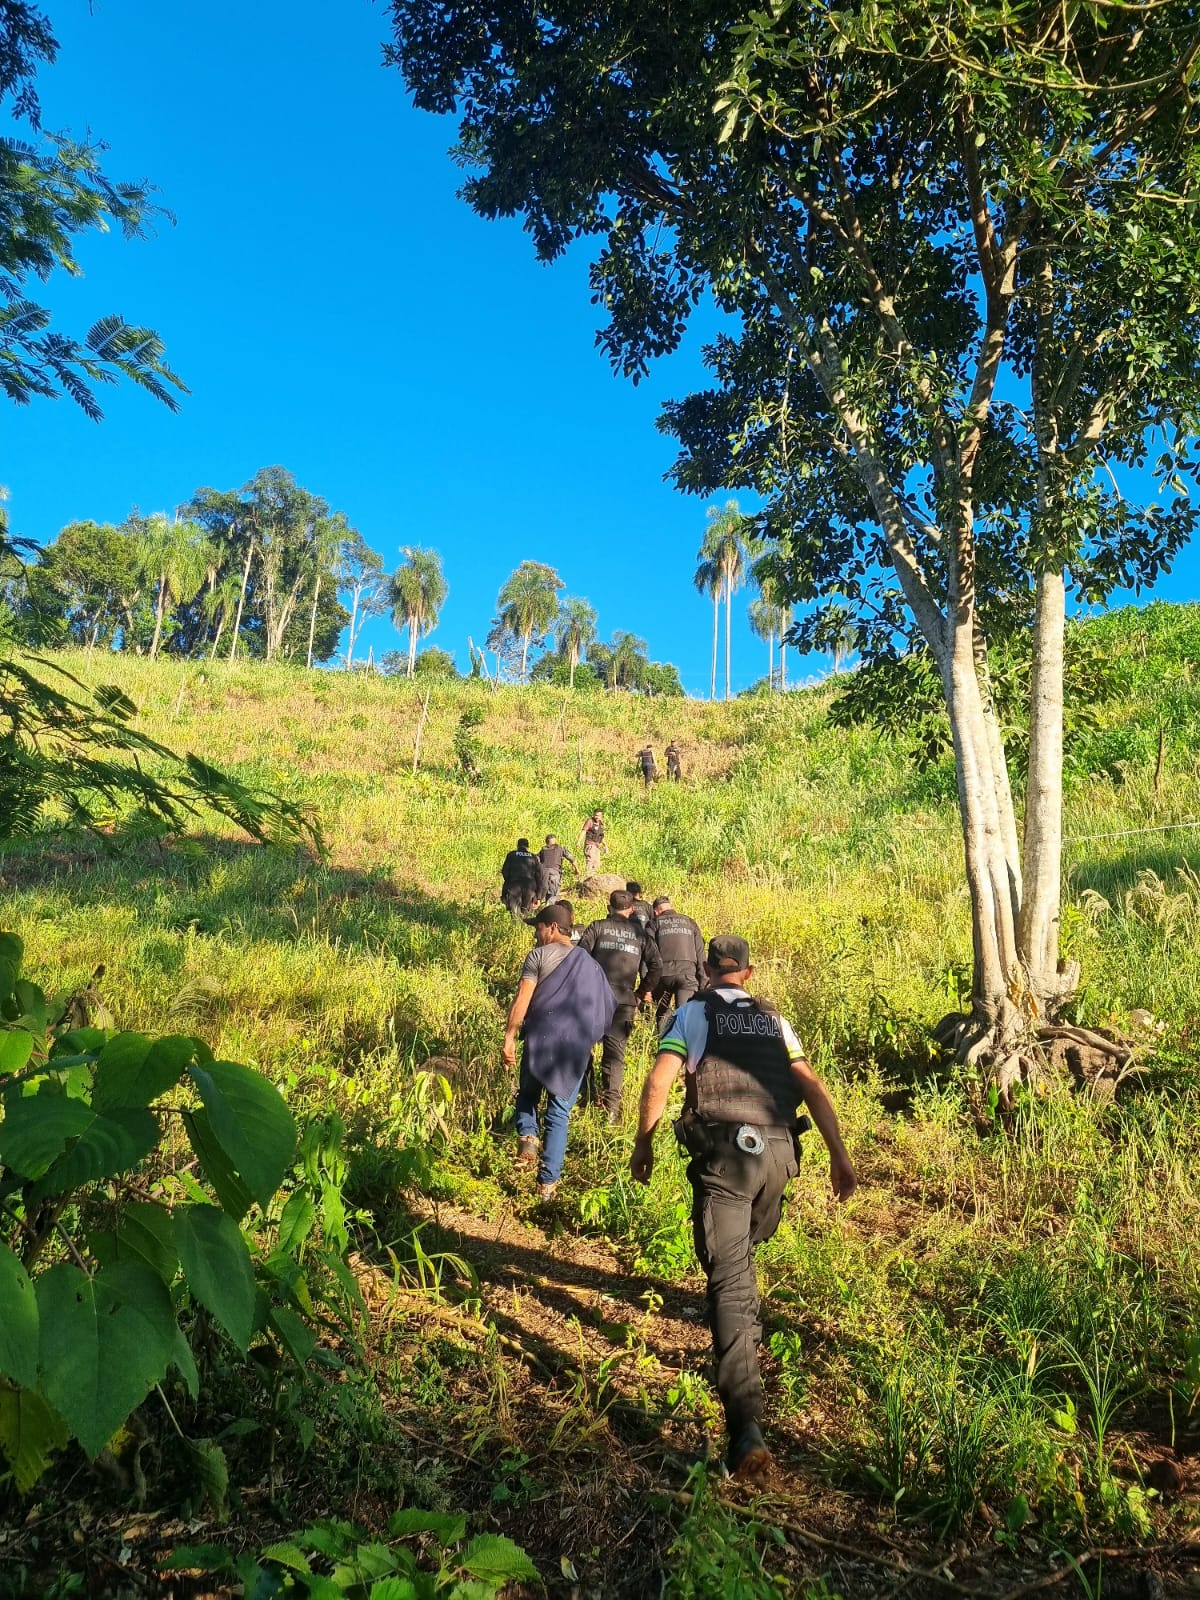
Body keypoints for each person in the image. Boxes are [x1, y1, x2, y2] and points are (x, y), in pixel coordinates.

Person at [630, 935, 857, 1482]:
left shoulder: (691, 1014)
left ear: (707, 970)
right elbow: (811, 1086)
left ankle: (746, 1431)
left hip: (729, 1157)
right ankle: (740, 1327)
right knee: (739, 1265)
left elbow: (660, 1080)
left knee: (729, 1280)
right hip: (779, 1156)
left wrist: (645, 1142)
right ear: (748, 974)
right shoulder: (775, 1021)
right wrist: (839, 1158)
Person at [503, 905, 614, 1198]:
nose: (536, 934)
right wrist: (587, 1042)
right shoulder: (591, 965)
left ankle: (528, 1137)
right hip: (574, 1048)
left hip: (540, 1040)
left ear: (551, 927)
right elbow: (605, 1011)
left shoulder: (538, 956)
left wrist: (510, 1035)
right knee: (559, 1114)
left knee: (527, 1094)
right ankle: (547, 1185)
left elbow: (522, 1000)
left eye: (537, 927)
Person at [577, 890, 662, 1121]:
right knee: (615, 1056)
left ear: (609, 906)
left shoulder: (597, 927)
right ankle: (611, 1110)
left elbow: (579, 958)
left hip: (593, 999)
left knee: (583, 1048)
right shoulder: (640, 934)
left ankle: (585, 1095)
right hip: (624, 1002)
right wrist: (641, 992)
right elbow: (656, 967)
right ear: (632, 909)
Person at [649, 895, 705, 1017]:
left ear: (655, 911)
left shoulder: (654, 923)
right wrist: (703, 984)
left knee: (662, 1014)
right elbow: (701, 954)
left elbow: (648, 954)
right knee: (685, 1016)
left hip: (663, 976)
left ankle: (664, 1035)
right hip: (688, 976)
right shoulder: (690, 922)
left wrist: (647, 984)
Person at [500, 837, 540, 918]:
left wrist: (509, 881)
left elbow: (504, 871)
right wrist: (537, 894)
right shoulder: (533, 857)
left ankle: (516, 927)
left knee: (515, 913)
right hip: (530, 887)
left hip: (514, 886)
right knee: (526, 912)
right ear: (528, 847)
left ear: (517, 846)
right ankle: (524, 927)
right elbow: (538, 875)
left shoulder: (512, 855)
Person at [538, 834, 577, 903]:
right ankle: (551, 910)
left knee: (546, 894)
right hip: (554, 874)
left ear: (546, 842)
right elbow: (572, 859)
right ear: (555, 841)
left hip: (543, 874)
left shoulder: (542, 850)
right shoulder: (560, 848)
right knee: (554, 896)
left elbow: (536, 860)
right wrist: (577, 870)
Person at [578, 809, 606, 875]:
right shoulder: (590, 821)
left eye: (598, 815)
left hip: (597, 846)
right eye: (595, 815)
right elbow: (584, 831)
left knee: (597, 864)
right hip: (590, 845)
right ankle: (587, 877)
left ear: (601, 816)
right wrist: (579, 841)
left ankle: (594, 879)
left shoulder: (601, 824)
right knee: (590, 861)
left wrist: (605, 845)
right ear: (593, 815)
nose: (597, 817)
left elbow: (601, 836)